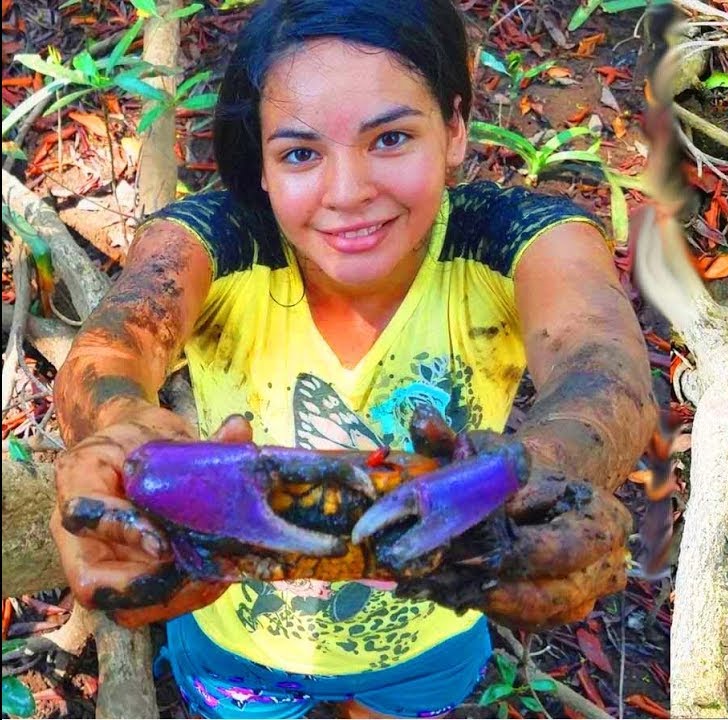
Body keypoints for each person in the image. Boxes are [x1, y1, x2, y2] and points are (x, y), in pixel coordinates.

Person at [49, 0, 657, 716]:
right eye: (301, 153)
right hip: (236, 639)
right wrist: (121, 427)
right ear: (264, 166)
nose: (349, 193)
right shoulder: (214, 242)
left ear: (455, 128)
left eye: (391, 138)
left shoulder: (518, 239)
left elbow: (604, 364)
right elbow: (115, 344)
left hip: (429, 637)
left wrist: (537, 475)